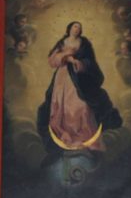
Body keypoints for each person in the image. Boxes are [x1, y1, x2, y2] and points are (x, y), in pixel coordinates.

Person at [36, 21, 122, 154]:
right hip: (62, 77)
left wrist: (79, 63)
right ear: (69, 28)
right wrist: (65, 55)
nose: (77, 29)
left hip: (80, 79)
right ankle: (66, 134)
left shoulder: (84, 43)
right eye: (75, 26)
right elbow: (52, 60)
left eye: (79, 28)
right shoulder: (62, 42)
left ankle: (83, 135)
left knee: (82, 106)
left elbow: (90, 61)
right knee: (62, 106)